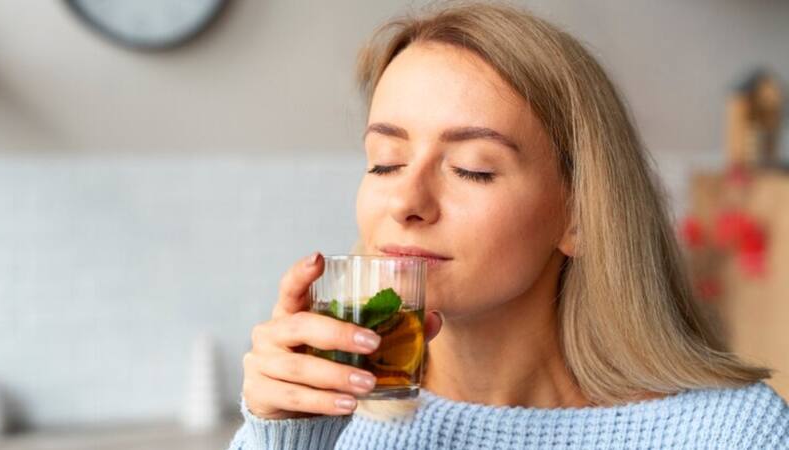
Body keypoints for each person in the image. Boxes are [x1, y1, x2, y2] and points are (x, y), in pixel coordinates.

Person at [228, 3, 789, 449]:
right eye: (385, 162)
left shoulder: (733, 434)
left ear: (579, 215)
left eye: (472, 169)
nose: (407, 200)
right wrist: (286, 441)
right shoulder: (324, 426)